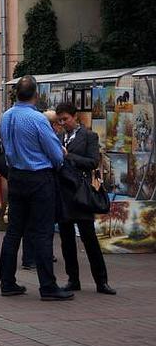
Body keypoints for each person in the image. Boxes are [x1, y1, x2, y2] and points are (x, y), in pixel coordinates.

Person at [0, 76, 73, 301]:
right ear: (35, 95)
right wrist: (61, 156)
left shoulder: (6, 117)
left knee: (13, 232)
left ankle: (7, 282)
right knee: (42, 232)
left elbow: (5, 144)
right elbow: (55, 154)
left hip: (16, 177)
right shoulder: (37, 119)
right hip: (39, 179)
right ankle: (48, 286)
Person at [54, 102, 116, 295]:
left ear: (75, 117)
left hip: (81, 193)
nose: (63, 123)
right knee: (66, 239)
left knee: (89, 238)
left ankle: (101, 281)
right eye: (60, 120)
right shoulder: (58, 137)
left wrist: (68, 155)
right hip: (64, 193)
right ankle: (73, 279)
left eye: (66, 119)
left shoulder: (89, 136)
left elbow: (92, 162)